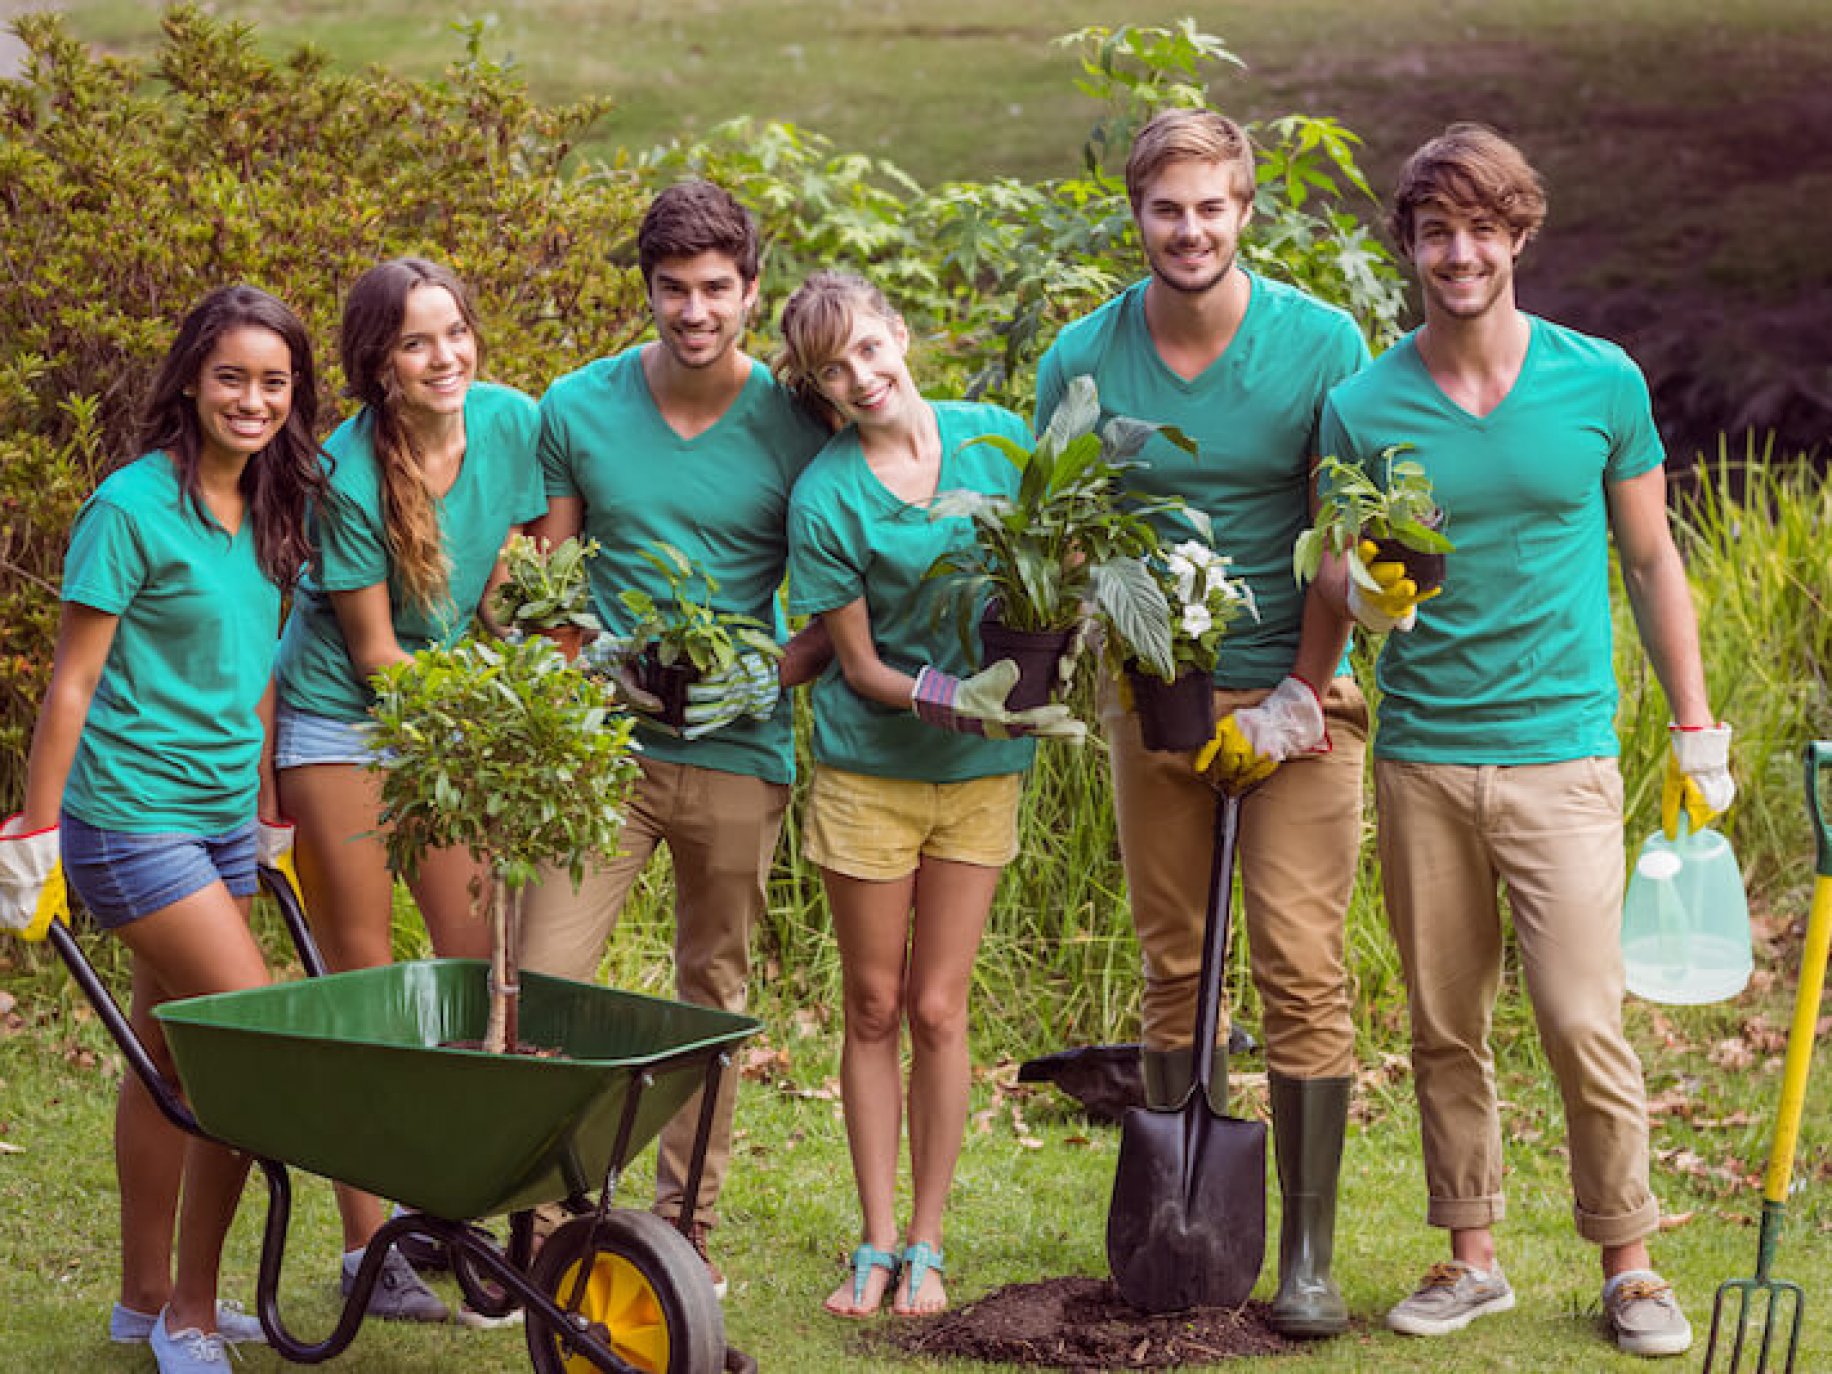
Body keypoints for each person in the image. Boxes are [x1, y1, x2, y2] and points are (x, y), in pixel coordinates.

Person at [1319, 123, 1734, 1359]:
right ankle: (1470, 1257)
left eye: (1481, 230)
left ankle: (1630, 1264)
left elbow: (1653, 560)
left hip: (1561, 752)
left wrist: (1695, 722)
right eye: (1436, 231)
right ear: (1409, 245)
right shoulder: (1361, 403)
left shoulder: (1596, 380)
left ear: (1517, 238)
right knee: (1442, 1024)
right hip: (1422, 757)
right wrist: (1357, 599)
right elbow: (1327, 567)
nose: (1459, 254)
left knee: (1577, 1015)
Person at [1033, 108, 1371, 1337]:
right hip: (1153, 696)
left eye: (1210, 207)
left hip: (1300, 691)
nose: (1189, 230)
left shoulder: (1319, 343)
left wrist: (1295, 693)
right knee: (1174, 964)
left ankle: (1308, 1257)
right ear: (1135, 216)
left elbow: (1350, 538)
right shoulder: (1083, 353)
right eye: (1165, 209)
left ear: (1244, 211)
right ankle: (1188, 1233)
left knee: (1297, 965)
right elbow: (1061, 528)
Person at [2, 285, 327, 1373]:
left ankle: (144, 1300)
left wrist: (270, 811)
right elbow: (71, 687)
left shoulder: (274, 506)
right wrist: (34, 838)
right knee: (249, 1047)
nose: (251, 398)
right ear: (191, 377)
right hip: (131, 823)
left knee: (172, 1061)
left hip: (222, 819)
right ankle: (192, 1311)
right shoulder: (130, 508)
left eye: (273, 382)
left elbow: (257, 676)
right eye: (231, 375)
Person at [518, 180, 830, 1294]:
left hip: (740, 750)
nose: (692, 311)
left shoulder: (801, 423)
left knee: (711, 993)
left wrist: (770, 668)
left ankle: (683, 1233)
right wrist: (592, 650)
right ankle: (548, 1229)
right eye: (670, 289)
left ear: (751, 290)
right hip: (602, 750)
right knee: (546, 981)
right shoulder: (577, 407)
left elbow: (838, 599)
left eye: (714, 289)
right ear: (645, 289)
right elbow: (549, 586)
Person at [775, 272, 1083, 1318]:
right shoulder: (825, 496)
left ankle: (928, 1241)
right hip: (869, 774)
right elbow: (856, 670)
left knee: (939, 1008)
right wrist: (972, 697)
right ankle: (870, 1240)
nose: (861, 377)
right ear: (817, 389)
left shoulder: (996, 438)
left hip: (978, 779)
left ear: (899, 334)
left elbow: (1059, 562)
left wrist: (1059, 652)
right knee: (871, 1006)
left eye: (868, 349)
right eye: (833, 369)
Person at [271, 257, 546, 1320]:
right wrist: (491, 704)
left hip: (450, 712)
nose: (446, 358)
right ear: (377, 366)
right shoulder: (341, 471)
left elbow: (515, 566)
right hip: (344, 723)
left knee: (474, 968)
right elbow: (378, 655)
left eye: (455, 333)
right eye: (417, 343)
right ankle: (366, 1246)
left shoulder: (513, 424)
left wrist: (513, 669)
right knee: (366, 980)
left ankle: (450, 1211)